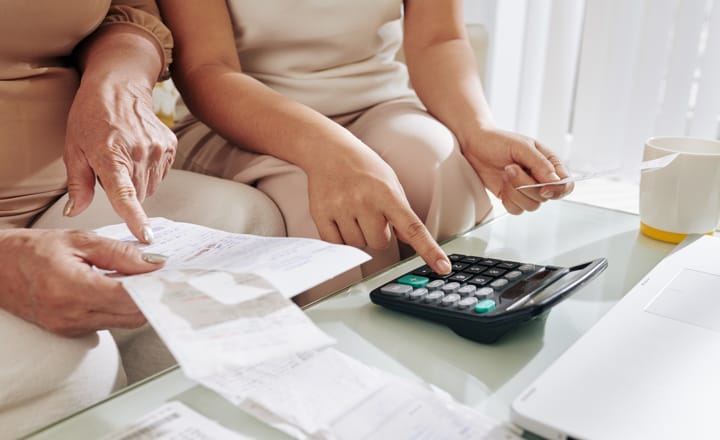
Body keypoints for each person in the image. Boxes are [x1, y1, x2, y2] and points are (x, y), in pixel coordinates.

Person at [158, 0, 574, 304]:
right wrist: (334, 153)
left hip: (378, 100)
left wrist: (477, 129)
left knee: (436, 162)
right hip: (247, 117)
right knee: (324, 218)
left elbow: (438, 38)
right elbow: (206, 68)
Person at [0, 1, 284, 437]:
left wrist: (119, 83)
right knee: (67, 365)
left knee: (242, 223)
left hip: (65, 195)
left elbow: (129, 14)